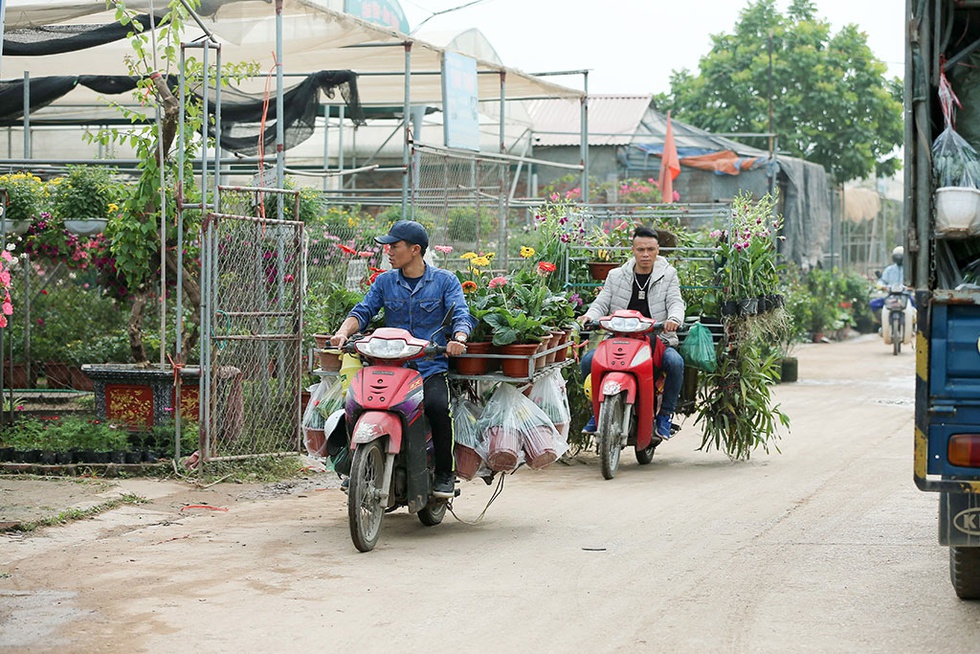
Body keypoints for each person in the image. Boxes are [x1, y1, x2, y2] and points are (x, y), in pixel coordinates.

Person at [330, 220, 472, 498]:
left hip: (428, 370)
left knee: (437, 409)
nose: (388, 252)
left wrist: (459, 339)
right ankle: (356, 468)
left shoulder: (445, 281)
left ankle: (444, 473)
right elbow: (363, 311)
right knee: (354, 405)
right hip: (390, 368)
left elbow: (461, 315)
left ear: (415, 250)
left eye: (394, 246)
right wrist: (342, 333)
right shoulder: (384, 282)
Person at [577, 226, 686, 441]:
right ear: (633, 250)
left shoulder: (668, 275)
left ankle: (665, 415)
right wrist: (589, 316)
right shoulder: (616, 275)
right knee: (588, 362)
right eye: (640, 249)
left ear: (657, 251)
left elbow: (675, 302)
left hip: (657, 338)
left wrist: (673, 320)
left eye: (650, 249)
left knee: (675, 363)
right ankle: (596, 412)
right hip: (619, 338)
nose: (645, 254)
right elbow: (602, 301)